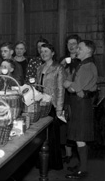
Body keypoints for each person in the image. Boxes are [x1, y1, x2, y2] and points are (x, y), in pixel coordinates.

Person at [64, 40, 98, 179]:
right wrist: (74, 86)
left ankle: (82, 170)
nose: (77, 49)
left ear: (88, 51)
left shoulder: (87, 66)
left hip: (81, 105)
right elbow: (76, 88)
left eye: (80, 48)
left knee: (80, 137)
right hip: (80, 103)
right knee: (79, 137)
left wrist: (68, 84)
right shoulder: (84, 65)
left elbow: (73, 87)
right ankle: (81, 165)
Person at [36, 43, 66, 170]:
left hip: (52, 105)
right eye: (41, 51)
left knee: (52, 136)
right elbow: (38, 87)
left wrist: (59, 109)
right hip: (41, 104)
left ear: (53, 53)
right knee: (41, 136)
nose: (43, 54)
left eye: (46, 51)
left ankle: (53, 163)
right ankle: (42, 162)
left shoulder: (58, 68)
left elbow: (60, 89)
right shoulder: (40, 67)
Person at [59, 34, 81, 164]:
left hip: (76, 94)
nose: (71, 46)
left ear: (78, 45)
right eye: (69, 44)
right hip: (65, 95)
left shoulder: (81, 59)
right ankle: (68, 155)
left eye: (74, 43)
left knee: (76, 125)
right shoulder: (63, 59)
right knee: (65, 125)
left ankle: (79, 156)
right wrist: (61, 66)